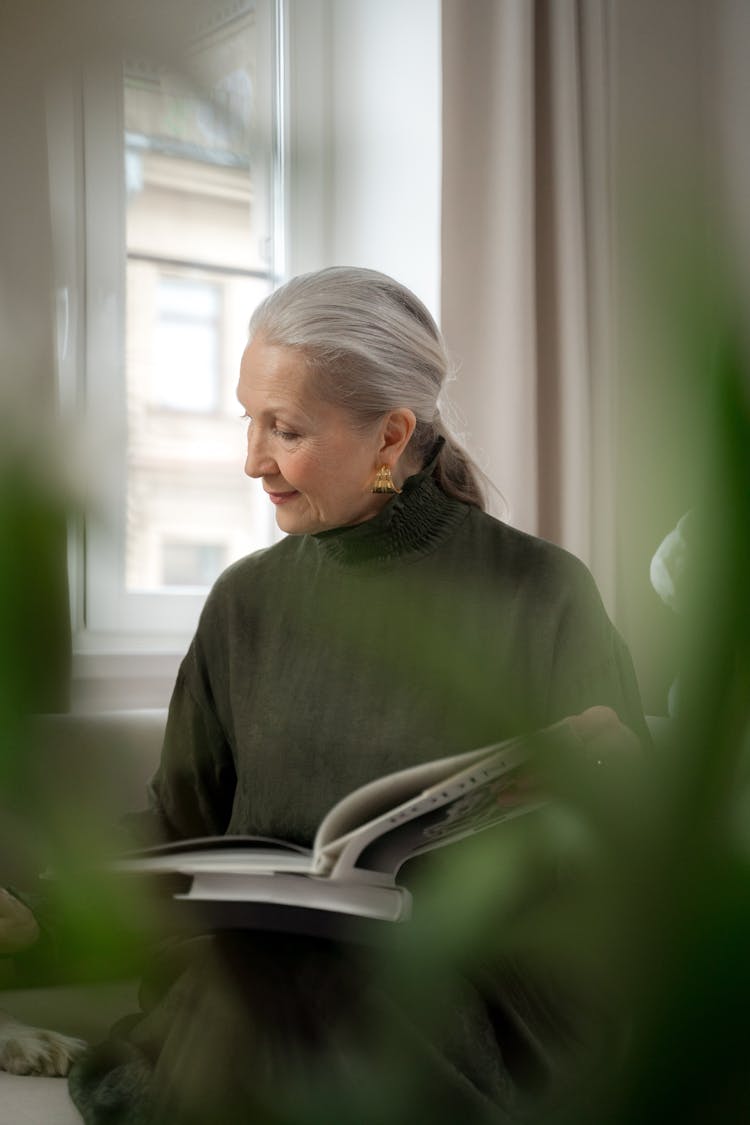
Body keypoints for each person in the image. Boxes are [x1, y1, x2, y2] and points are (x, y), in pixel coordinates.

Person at [2, 267, 648, 1123]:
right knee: (279, 997)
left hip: (468, 995)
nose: (252, 460)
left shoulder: (543, 590)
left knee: (332, 1010)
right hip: (268, 982)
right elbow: (180, 827)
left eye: (286, 429)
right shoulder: (245, 603)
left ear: (390, 436)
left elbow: (626, 864)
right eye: (249, 420)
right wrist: (35, 910)